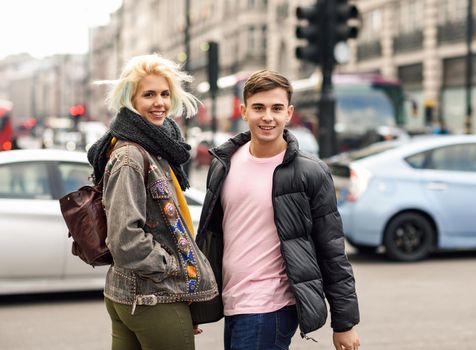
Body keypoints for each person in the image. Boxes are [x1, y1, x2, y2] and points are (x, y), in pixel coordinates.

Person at [193, 70, 360, 349]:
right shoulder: (224, 163)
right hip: (233, 301)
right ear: (244, 111)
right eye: (258, 108)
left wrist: (344, 323)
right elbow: (210, 238)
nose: (267, 117)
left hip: (271, 304)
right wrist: (198, 303)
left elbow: (331, 249)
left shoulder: (310, 172)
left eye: (276, 108)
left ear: (289, 113)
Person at [87, 54, 218, 350]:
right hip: (153, 295)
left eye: (164, 93)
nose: (159, 102)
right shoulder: (131, 156)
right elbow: (125, 238)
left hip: (139, 294)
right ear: (130, 100)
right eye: (148, 94)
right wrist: (173, 268)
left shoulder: (154, 147)